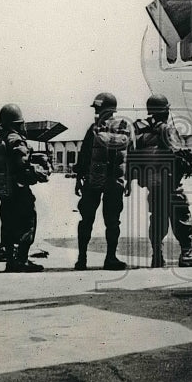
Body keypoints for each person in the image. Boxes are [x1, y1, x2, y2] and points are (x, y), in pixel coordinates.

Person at [131, 94, 192, 268]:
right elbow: (177, 154)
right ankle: (186, 255)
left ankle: (157, 255)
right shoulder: (167, 129)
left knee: (157, 220)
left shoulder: (142, 132)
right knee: (182, 219)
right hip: (171, 184)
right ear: (165, 110)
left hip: (153, 184)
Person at [73, 92, 132, 271]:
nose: (97, 111)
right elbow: (132, 156)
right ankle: (110, 258)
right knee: (112, 222)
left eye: (98, 107)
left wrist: (78, 179)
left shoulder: (93, 129)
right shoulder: (125, 127)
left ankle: (82, 259)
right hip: (114, 182)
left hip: (93, 181)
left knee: (87, 220)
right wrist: (128, 180)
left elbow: (83, 157)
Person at [0, 103, 45, 272]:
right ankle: (22, 260)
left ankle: (10, 261)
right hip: (19, 189)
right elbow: (21, 162)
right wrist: (37, 170)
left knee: (7, 224)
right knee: (28, 222)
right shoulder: (15, 139)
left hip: (5, 191)